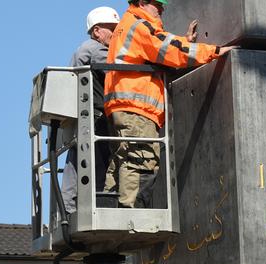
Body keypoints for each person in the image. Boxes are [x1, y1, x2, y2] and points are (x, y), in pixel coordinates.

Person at [103, 0, 237, 208]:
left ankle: (113, 209)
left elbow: (155, 52)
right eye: (158, 4)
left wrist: (184, 41)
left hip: (123, 105)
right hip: (136, 106)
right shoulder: (139, 26)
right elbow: (170, 50)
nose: (162, 8)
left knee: (123, 159)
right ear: (141, 2)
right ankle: (132, 214)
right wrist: (216, 51)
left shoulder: (127, 25)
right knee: (142, 159)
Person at [62, 6, 121, 214]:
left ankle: (68, 210)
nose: (116, 35)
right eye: (112, 29)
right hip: (95, 120)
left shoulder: (81, 50)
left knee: (75, 164)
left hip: (81, 121)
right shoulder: (95, 49)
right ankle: (93, 209)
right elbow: (118, 72)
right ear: (97, 31)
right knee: (97, 166)